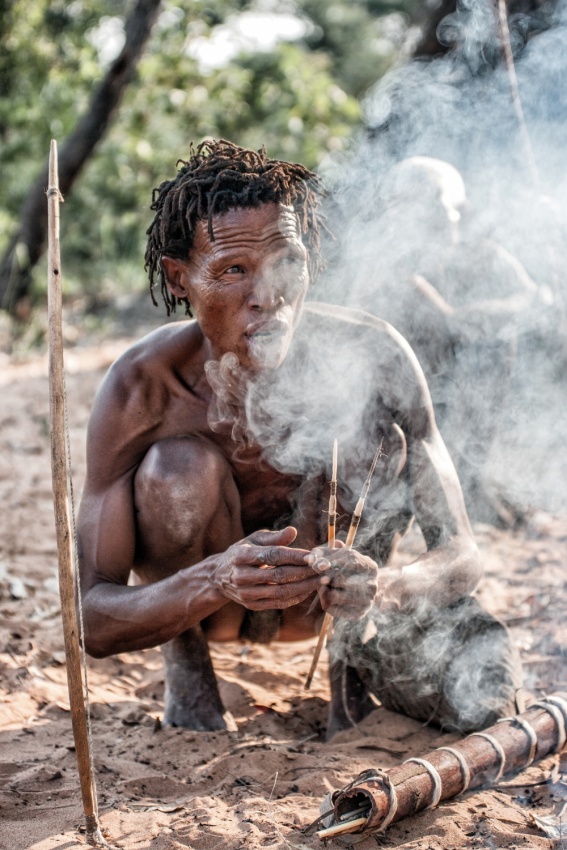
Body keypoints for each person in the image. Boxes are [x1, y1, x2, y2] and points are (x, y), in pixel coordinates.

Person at [77, 141, 521, 739]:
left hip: (330, 613)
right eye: (234, 270)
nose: (268, 296)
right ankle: (190, 672)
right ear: (178, 279)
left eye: (287, 262)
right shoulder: (142, 390)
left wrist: (382, 587)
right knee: (177, 469)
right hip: (208, 612)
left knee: (373, 436)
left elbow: (462, 557)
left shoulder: (377, 355)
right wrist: (215, 578)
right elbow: (94, 621)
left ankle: (347, 667)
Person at [341, 156, 552, 526]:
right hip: (392, 408)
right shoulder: (387, 266)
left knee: (496, 344)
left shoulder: (477, 253)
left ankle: (470, 474)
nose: (452, 216)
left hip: (451, 394)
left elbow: (528, 298)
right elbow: (443, 322)